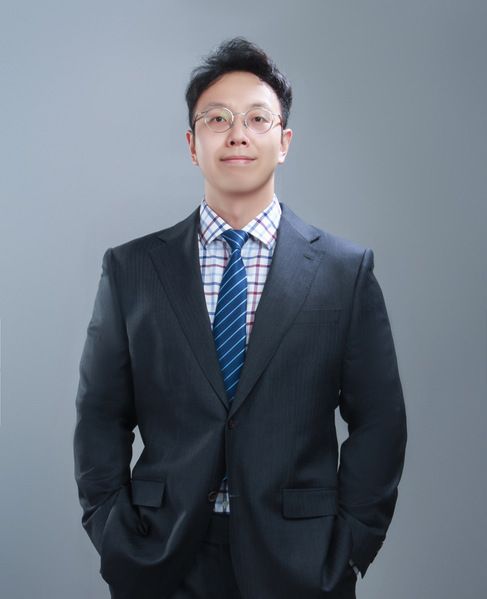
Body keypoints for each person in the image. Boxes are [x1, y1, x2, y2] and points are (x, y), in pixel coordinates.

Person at [73, 36, 407, 599]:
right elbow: (100, 414)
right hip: (163, 555)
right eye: (217, 119)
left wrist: (349, 547)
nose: (237, 134)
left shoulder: (343, 272)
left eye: (257, 118)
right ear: (192, 143)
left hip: (302, 560)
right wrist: (113, 534)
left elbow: (380, 421)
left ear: (284, 142)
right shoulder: (132, 269)